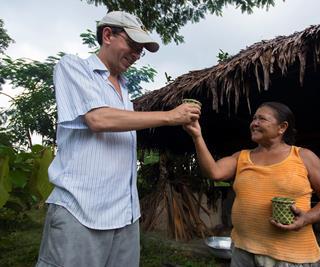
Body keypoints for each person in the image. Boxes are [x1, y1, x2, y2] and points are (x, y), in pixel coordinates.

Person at [36, 11, 201, 267]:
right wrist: (169, 116)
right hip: (80, 211)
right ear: (107, 35)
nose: (136, 55)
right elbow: (98, 120)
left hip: (125, 215)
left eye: (140, 51)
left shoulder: (124, 88)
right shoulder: (74, 67)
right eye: (133, 46)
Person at [183, 101, 320, 267]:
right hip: (243, 251)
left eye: (262, 119)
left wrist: (307, 218)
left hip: (290, 256)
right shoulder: (242, 157)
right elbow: (215, 172)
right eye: (254, 119)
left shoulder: (303, 156)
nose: (254, 123)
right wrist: (197, 136)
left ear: (282, 127)